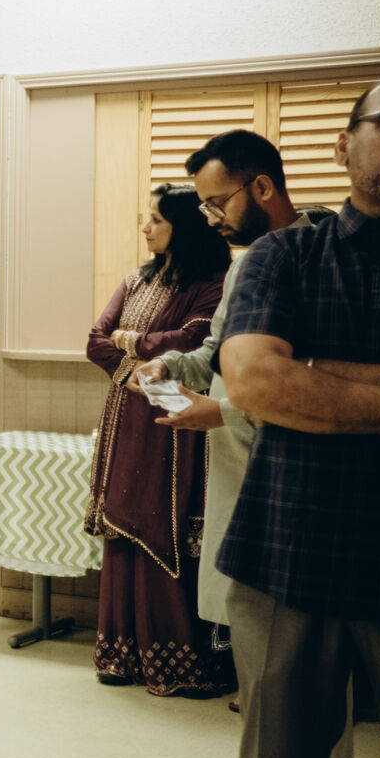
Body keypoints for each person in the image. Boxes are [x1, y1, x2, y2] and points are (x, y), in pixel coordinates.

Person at [134, 130, 351, 758]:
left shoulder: (326, 257)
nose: (210, 218)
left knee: (315, 657)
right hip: (237, 474)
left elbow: (309, 381)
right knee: (254, 647)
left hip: (304, 482)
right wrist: (171, 368)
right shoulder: (245, 265)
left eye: (217, 202)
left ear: (261, 187)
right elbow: (217, 354)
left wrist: (219, 411)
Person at [219, 79, 380, 758]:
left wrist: (320, 374)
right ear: (344, 143)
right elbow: (255, 380)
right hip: (291, 555)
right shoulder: (284, 257)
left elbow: (288, 381)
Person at [83, 183, 233, 695]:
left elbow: (192, 342)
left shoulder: (214, 283)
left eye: (157, 220)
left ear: (183, 228)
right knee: (123, 520)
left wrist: (131, 342)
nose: (145, 228)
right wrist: (137, 362)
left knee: (163, 521)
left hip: (177, 418)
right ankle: (121, 656)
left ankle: (177, 661)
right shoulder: (136, 279)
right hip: (128, 412)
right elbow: (95, 341)